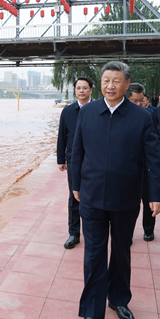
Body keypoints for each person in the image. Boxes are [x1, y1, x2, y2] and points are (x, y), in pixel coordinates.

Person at [69, 62, 160, 319]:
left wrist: (155, 195)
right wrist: (76, 185)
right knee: (94, 254)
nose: (110, 86)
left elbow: (153, 161)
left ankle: (119, 299)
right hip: (91, 196)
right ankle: (93, 313)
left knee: (121, 252)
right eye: (106, 80)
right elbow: (77, 152)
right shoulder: (87, 113)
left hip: (125, 197)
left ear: (126, 83)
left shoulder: (141, 117)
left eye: (116, 81)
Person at [56, 76, 94, 249]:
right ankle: (74, 233)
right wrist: (60, 159)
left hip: (95, 159)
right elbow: (61, 136)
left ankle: (94, 231)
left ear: (91, 90)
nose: (81, 91)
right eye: (78, 88)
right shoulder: (68, 111)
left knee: (94, 195)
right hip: (73, 159)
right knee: (74, 196)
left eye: (85, 88)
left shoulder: (97, 109)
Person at [126, 83, 160, 241]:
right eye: (135, 101)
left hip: (145, 167)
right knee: (127, 205)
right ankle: (127, 232)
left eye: (141, 101)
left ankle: (148, 229)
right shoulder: (120, 117)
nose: (140, 104)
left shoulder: (148, 115)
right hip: (128, 170)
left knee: (148, 201)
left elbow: (154, 144)